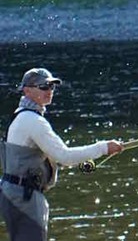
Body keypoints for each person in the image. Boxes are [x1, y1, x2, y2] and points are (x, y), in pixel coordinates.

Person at [0, 68, 124, 240]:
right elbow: (64, 157)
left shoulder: (20, 116)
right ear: (27, 90)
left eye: (52, 87)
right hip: (24, 197)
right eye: (44, 86)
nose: (49, 91)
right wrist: (103, 148)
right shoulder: (33, 121)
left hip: (14, 194)